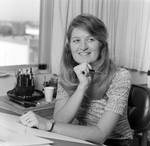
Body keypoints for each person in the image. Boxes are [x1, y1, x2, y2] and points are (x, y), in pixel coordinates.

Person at [18, 14, 133, 146]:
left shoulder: (121, 76)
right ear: (70, 46)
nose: (83, 47)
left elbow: (101, 135)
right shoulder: (68, 74)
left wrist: (47, 125)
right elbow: (60, 120)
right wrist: (82, 86)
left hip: (115, 142)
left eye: (90, 39)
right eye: (76, 40)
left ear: (101, 45)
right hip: (81, 139)